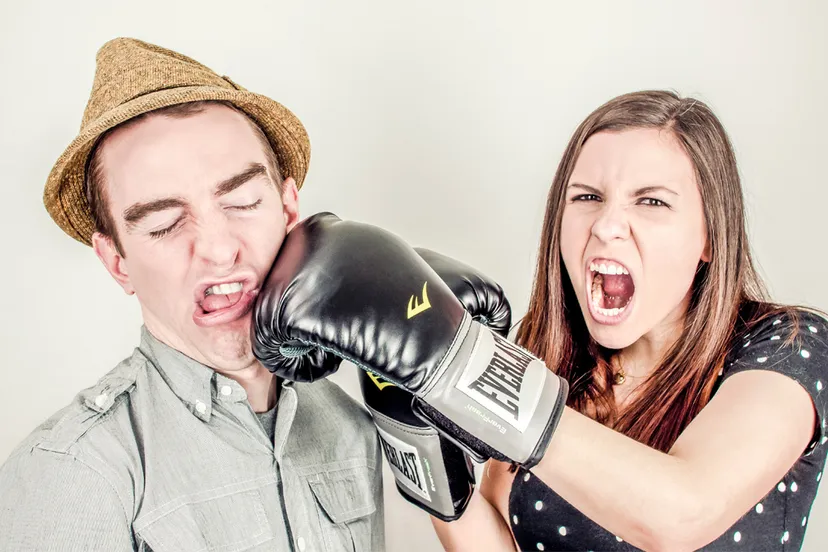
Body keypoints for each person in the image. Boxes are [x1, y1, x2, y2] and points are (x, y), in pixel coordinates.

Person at [247, 90, 827, 552]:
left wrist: (461, 365)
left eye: (651, 202)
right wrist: (407, 417)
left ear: (709, 238)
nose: (606, 226)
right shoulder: (547, 360)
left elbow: (682, 514)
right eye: (586, 197)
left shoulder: (788, 346)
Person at [0, 38, 384, 552]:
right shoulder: (73, 475)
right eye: (163, 225)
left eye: (244, 202)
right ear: (118, 263)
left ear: (289, 212)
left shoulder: (351, 424)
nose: (220, 250)